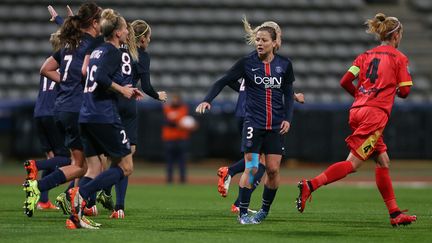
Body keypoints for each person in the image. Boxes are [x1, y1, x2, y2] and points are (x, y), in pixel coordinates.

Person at [296, 13, 416, 227]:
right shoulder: (399, 57)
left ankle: (395, 213)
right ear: (396, 35)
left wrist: (362, 96)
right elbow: (405, 92)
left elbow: (345, 81)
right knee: (352, 165)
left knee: (382, 160)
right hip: (374, 115)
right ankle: (310, 185)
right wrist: (390, 91)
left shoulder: (365, 55)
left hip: (357, 110)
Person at [196, 18, 303, 214]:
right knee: (252, 167)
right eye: (258, 40)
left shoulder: (285, 65)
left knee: (272, 170)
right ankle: (242, 211)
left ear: (274, 43)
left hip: (276, 125)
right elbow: (223, 81)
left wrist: (288, 118)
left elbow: (287, 93)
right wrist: (207, 99)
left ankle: (264, 211)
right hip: (253, 123)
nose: (259, 43)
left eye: (263, 40)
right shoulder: (247, 62)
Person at [24, 2, 103, 218]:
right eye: (100, 20)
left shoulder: (69, 45)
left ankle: (38, 188)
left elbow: (45, 69)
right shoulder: (93, 44)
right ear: (94, 23)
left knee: (78, 165)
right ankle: (79, 209)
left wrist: (66, 82)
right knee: (94, 165)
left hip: (61, 109)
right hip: (79, 110)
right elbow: (89, 72)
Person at [67, 8, 144, 229]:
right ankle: (80, 194)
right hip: (104, 116)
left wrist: (125, 89)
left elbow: (95, 77)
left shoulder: (98, 50)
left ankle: (75, 217)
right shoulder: (113, 52)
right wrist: (122, 90)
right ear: (118, 33)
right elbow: (101, 77)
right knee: (126, 166)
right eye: (125, 29)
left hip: (86, 114)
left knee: (93, 169)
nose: (128, 33)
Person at [96, 19, 167, 219]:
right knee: (126, 155)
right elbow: (146, 85)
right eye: (149, 37)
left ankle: (94, 199)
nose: (150, 41)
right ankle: (117, 205)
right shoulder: (142, 55)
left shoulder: (115, 49)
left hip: (109, 102)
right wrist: (157, 96)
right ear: (143, 38)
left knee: (104, 155)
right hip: (127, 104)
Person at [27, 30, 71, 210]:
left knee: (53, 157)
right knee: (69, 160)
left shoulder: (49, 62)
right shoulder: (65, 64)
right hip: (54, 113)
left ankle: (43, 201)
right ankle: (35, 165)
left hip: (39, 113)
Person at [162, 92, 196, 184]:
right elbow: (167, 122)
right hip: (170, 139)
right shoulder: (167, 109)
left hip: (182, 138)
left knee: (182, 161)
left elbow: (190, 122)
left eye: (177, 99)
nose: (175, 101)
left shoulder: (184, 109)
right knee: (170, 161)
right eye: (174, 99)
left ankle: (182, 179)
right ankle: (169, 179)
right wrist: (179, 124)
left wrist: (192, 126)